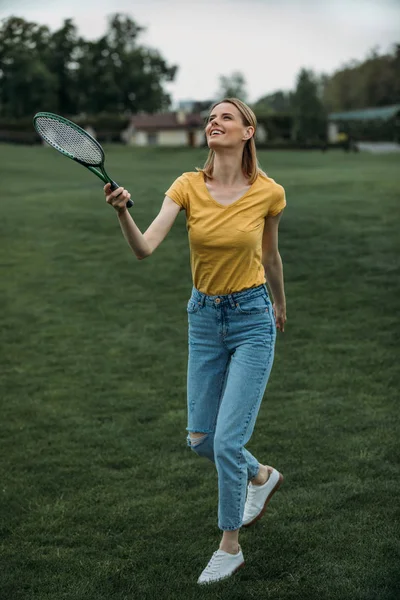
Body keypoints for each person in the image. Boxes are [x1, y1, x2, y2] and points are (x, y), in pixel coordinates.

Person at [104, 97, 287, 585]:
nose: (214, 121)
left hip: (252, 320)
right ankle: (261, 476)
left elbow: (270, 257)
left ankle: (229, 547)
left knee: (227, 440)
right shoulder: (187, 186)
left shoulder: (269, 192)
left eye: (226, 116)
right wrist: (123, 212)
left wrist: (279, 305)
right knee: (201, 439)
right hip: (204, 319)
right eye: (211, 116)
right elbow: (145, 248)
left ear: (248, 132)